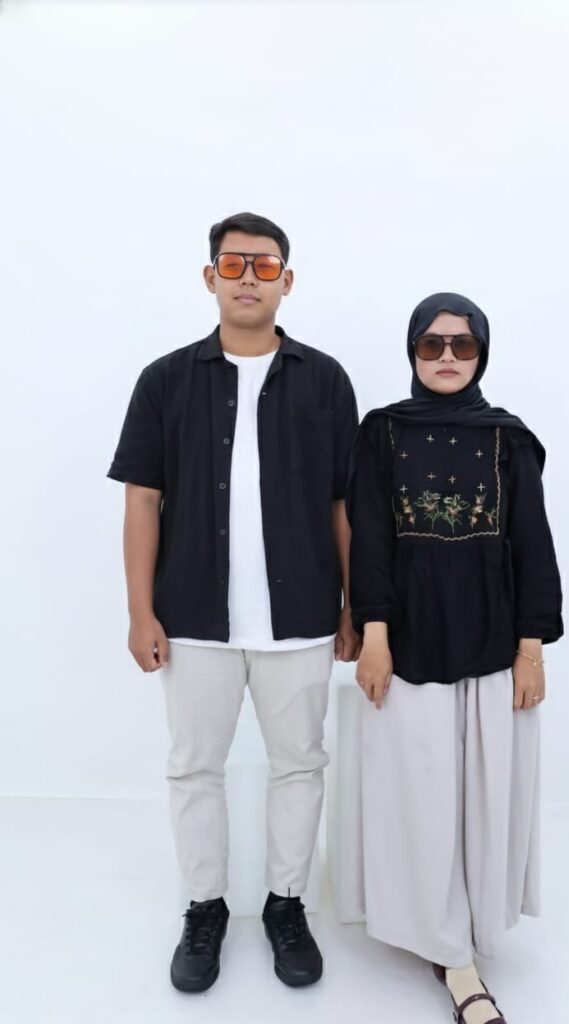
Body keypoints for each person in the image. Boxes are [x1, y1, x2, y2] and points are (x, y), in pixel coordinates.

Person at [106, 212, 360, 994]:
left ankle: (286, 906)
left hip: (302, 616)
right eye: (234, 262)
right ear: (209, 276)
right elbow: (141, 500)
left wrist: (352, 602)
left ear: (287, 280)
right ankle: (204, 907)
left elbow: (343, 502)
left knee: (300, 766)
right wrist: (140, 611)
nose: (249, 276)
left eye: (265, 264)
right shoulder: (165, 379)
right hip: (192, 617)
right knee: (193, 768)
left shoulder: (324, 380)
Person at [346, 292, 563, 1023]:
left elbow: (532, 544)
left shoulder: (506, 438)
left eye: (462, 345)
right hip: (408, 645)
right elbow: (370, 541)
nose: (446, 357)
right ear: (412, 351)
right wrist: (373, 635)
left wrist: (531, 649)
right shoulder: (382, 432)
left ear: (481, 354)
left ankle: (470, 926)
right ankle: (450, 954)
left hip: (492, 643)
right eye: (431, 344)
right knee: (421, 795)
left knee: (483, 796)